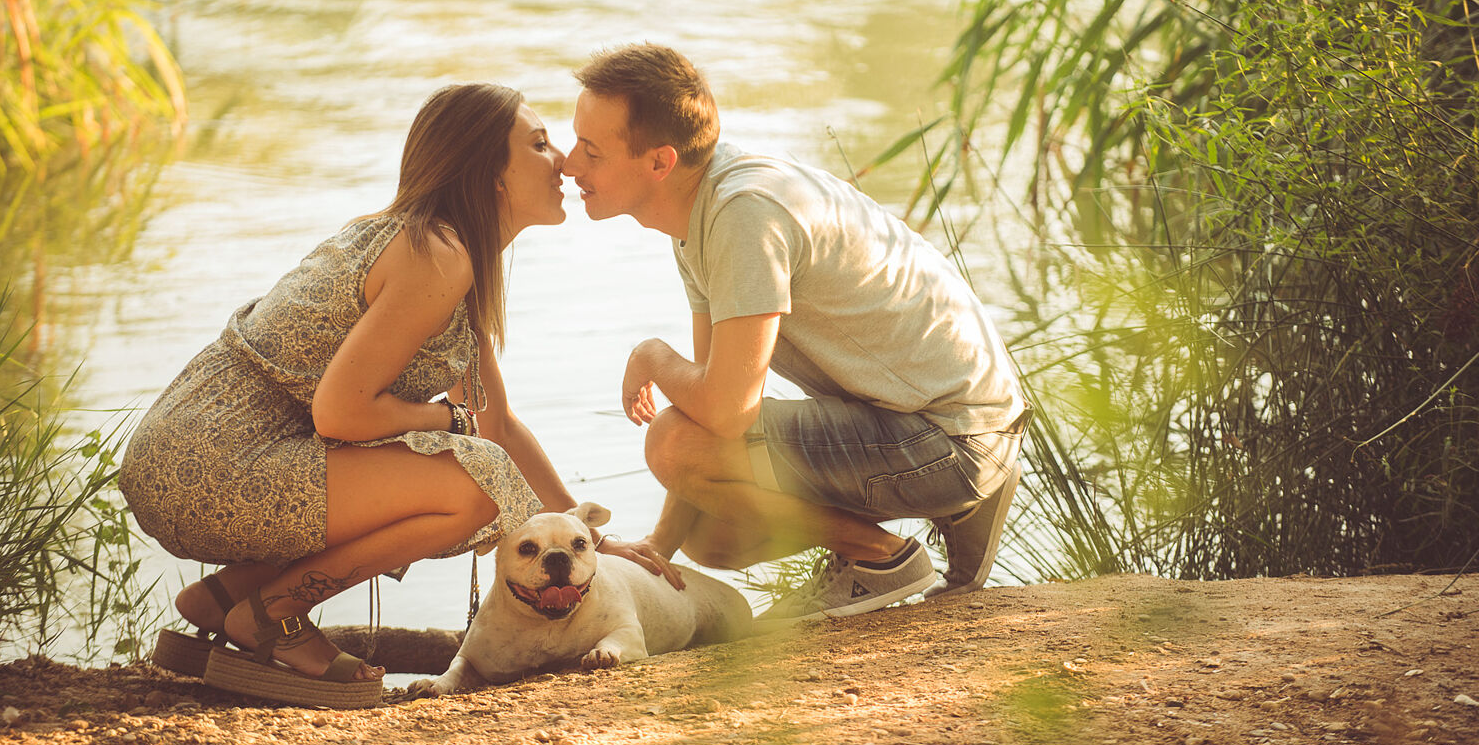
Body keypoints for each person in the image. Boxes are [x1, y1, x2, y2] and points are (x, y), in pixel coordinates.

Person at [120, 83, 676, 708]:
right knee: (476, 482)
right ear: (489, 171)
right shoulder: (435, 253)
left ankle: (224, 600)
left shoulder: (446, 252)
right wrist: (448, 419)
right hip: (209, 464)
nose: (567, 162)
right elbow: (345, 412)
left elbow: (499, 426)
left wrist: (587, 534)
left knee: (474, 464)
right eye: (541, 144)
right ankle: (274, 613)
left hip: (193, 459)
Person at [561, 44, 1026, 623]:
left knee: (670, 442)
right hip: (943, 421)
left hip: (952, 436)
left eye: (590, 149)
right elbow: (708, 408)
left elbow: (724, 415)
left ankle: (882, 559)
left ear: (660, 162)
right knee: (713, 536)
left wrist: (652, 354)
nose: (568, 164)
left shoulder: (742, 214)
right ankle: (955, 513)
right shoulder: (698, 214)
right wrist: (661, 546)